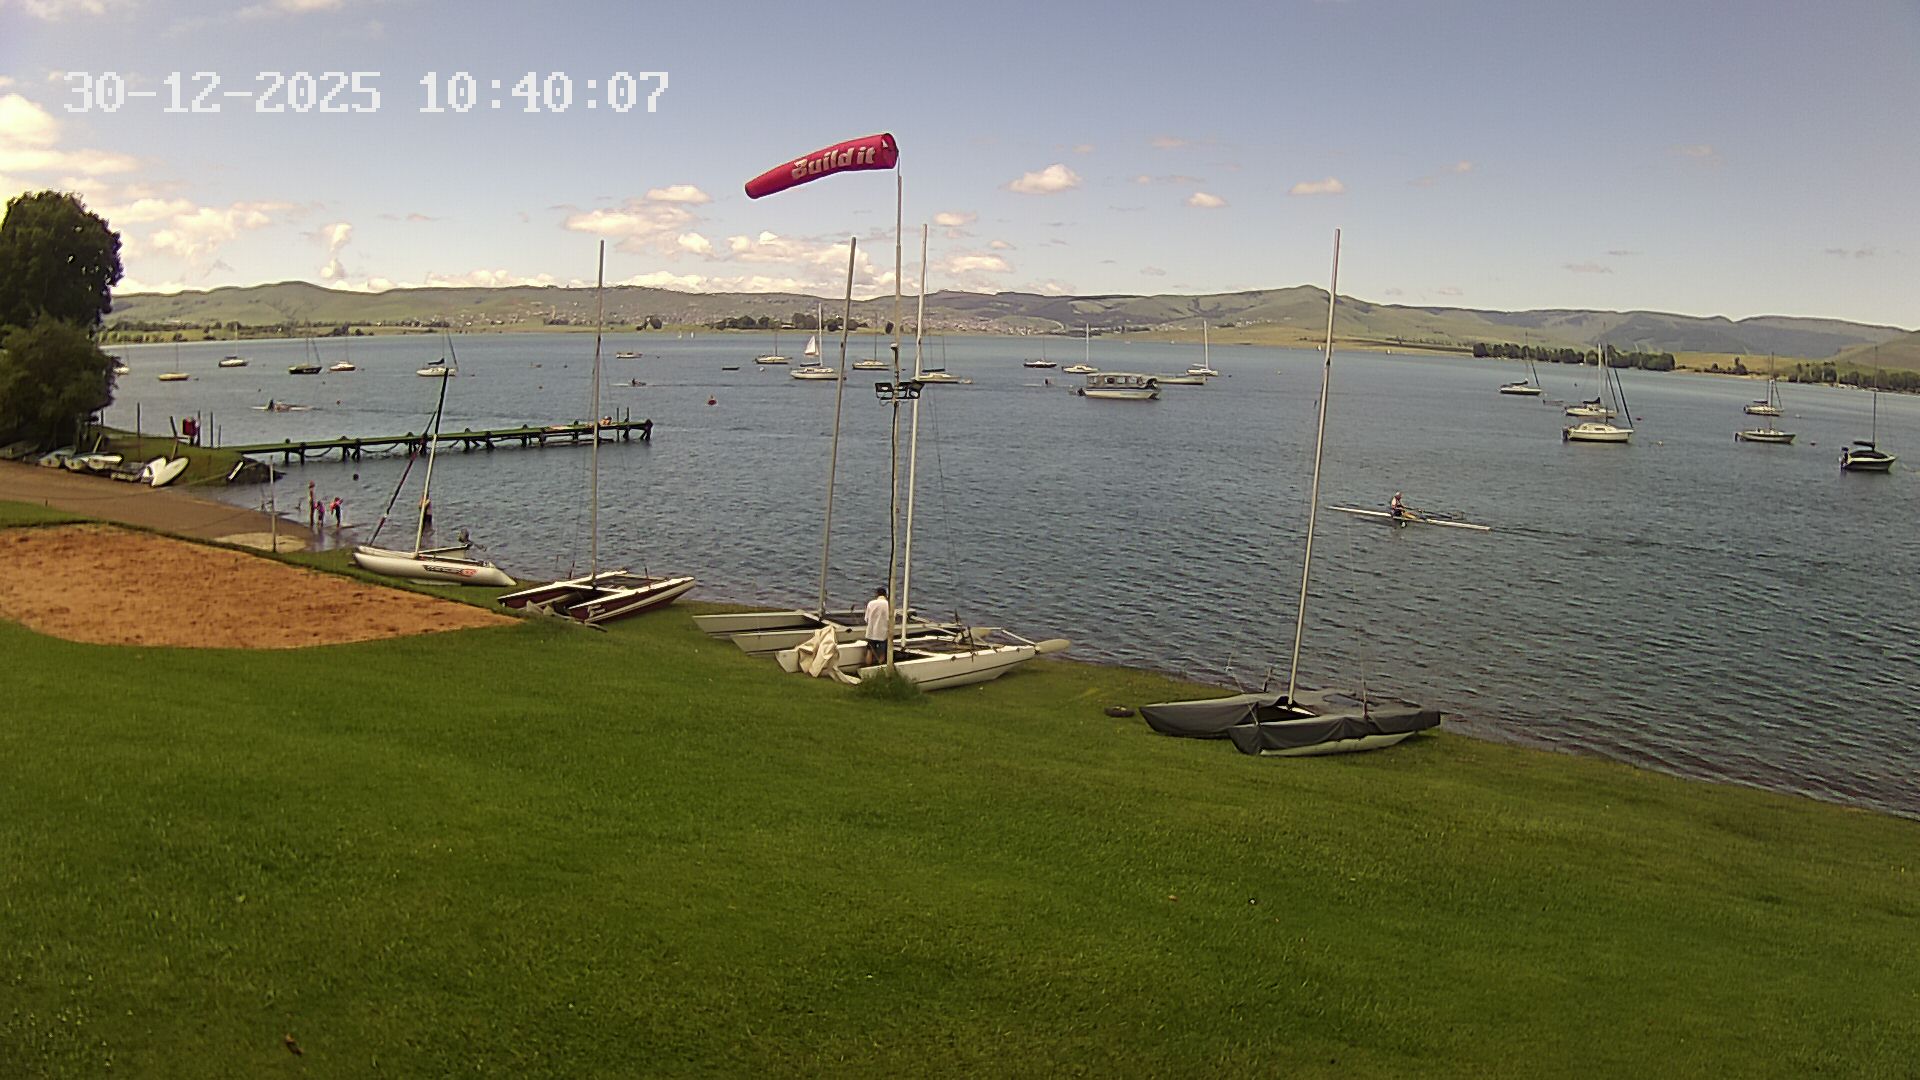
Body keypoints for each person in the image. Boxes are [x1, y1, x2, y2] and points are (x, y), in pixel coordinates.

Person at [863, 586, 891, 665]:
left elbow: (866, 619)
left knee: (869, 651)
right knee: (882, 653)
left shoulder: (871, 603)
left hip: (871, 632)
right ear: (886, 595)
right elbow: (890, 619)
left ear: (877, 594)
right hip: (883, 633)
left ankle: (868, 665)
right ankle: (880, 666)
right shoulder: (888, 604)